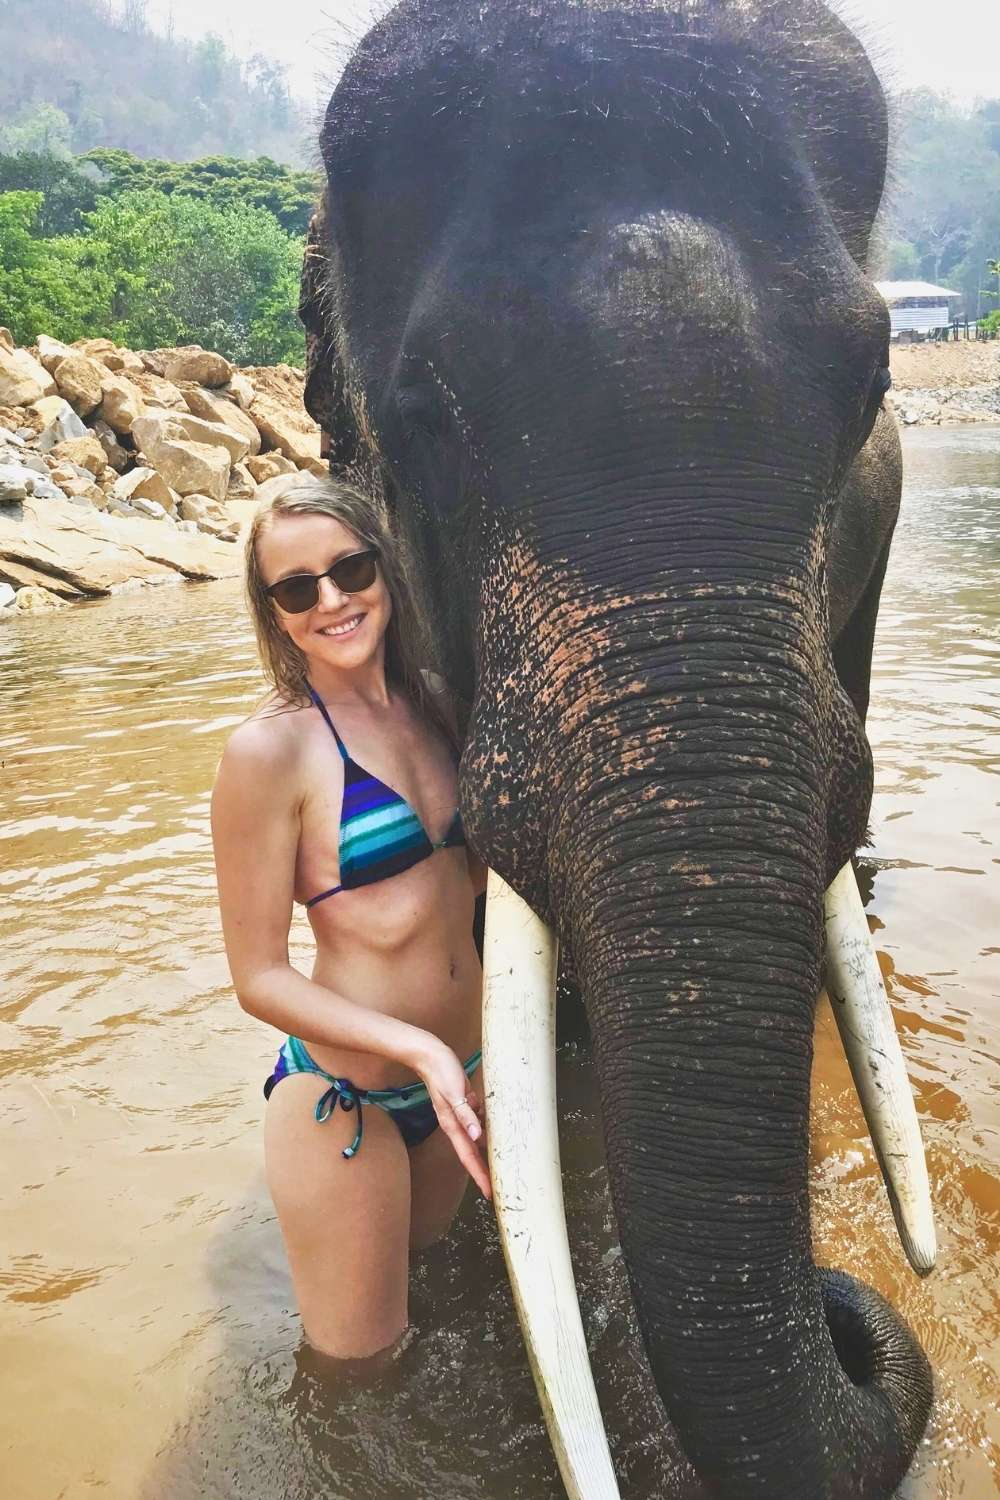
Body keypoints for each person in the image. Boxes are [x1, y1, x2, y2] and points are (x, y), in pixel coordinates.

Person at [211, 475, 489, 1360]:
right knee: (359, 1380)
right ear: (276, 614)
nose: (332, 600)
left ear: (385, 569)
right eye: (298, 588)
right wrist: (418, 1049)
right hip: (350, 1103)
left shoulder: (442, 703)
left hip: (462, 1078)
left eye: (349, 568)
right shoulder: (270, 752)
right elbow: (258, 977)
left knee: (435, 1314)